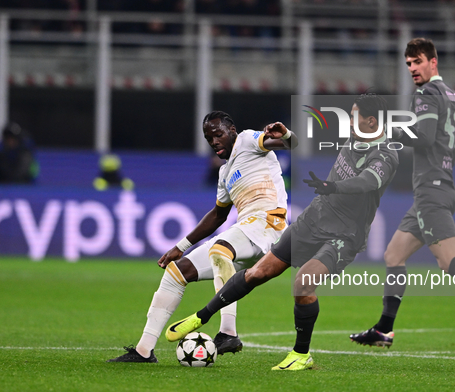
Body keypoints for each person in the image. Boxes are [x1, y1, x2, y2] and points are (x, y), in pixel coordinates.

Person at [164, 94, 399, 371]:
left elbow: (367, 182)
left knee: (303, 283)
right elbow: (291, 143)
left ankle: (301, 354)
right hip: (314, 219)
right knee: (256, 273)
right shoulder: (355, 136)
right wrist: (287, 135)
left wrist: (333, 187)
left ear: (371, 122)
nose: (348, 122)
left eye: (354, 117)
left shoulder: (386, 154)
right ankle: (201, 317)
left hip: (344, 235)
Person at [350, 38, 455, 348]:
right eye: (409, 64)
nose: (413, 68)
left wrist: (386, 132)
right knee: (394, 255)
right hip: (436, 190)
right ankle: (383, 330)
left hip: (431, 192)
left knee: (448, 261)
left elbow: (425, 137)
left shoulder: (426, 93)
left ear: (433, 62)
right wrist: (451, 151)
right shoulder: (453, 96)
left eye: (417, 62)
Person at [108, 111, 297, 363]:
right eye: (209, 138)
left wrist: (284, 133)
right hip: (247, 233)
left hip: (268, 224)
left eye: (218, 134)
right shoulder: (224, 173)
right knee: (177, 272)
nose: (214, 141)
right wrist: (181, 246)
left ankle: (228, 332)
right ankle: (144, 351)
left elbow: (291, 144)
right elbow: (218, 216)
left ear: (232, 130)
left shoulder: (249, 140)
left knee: (220, 249)